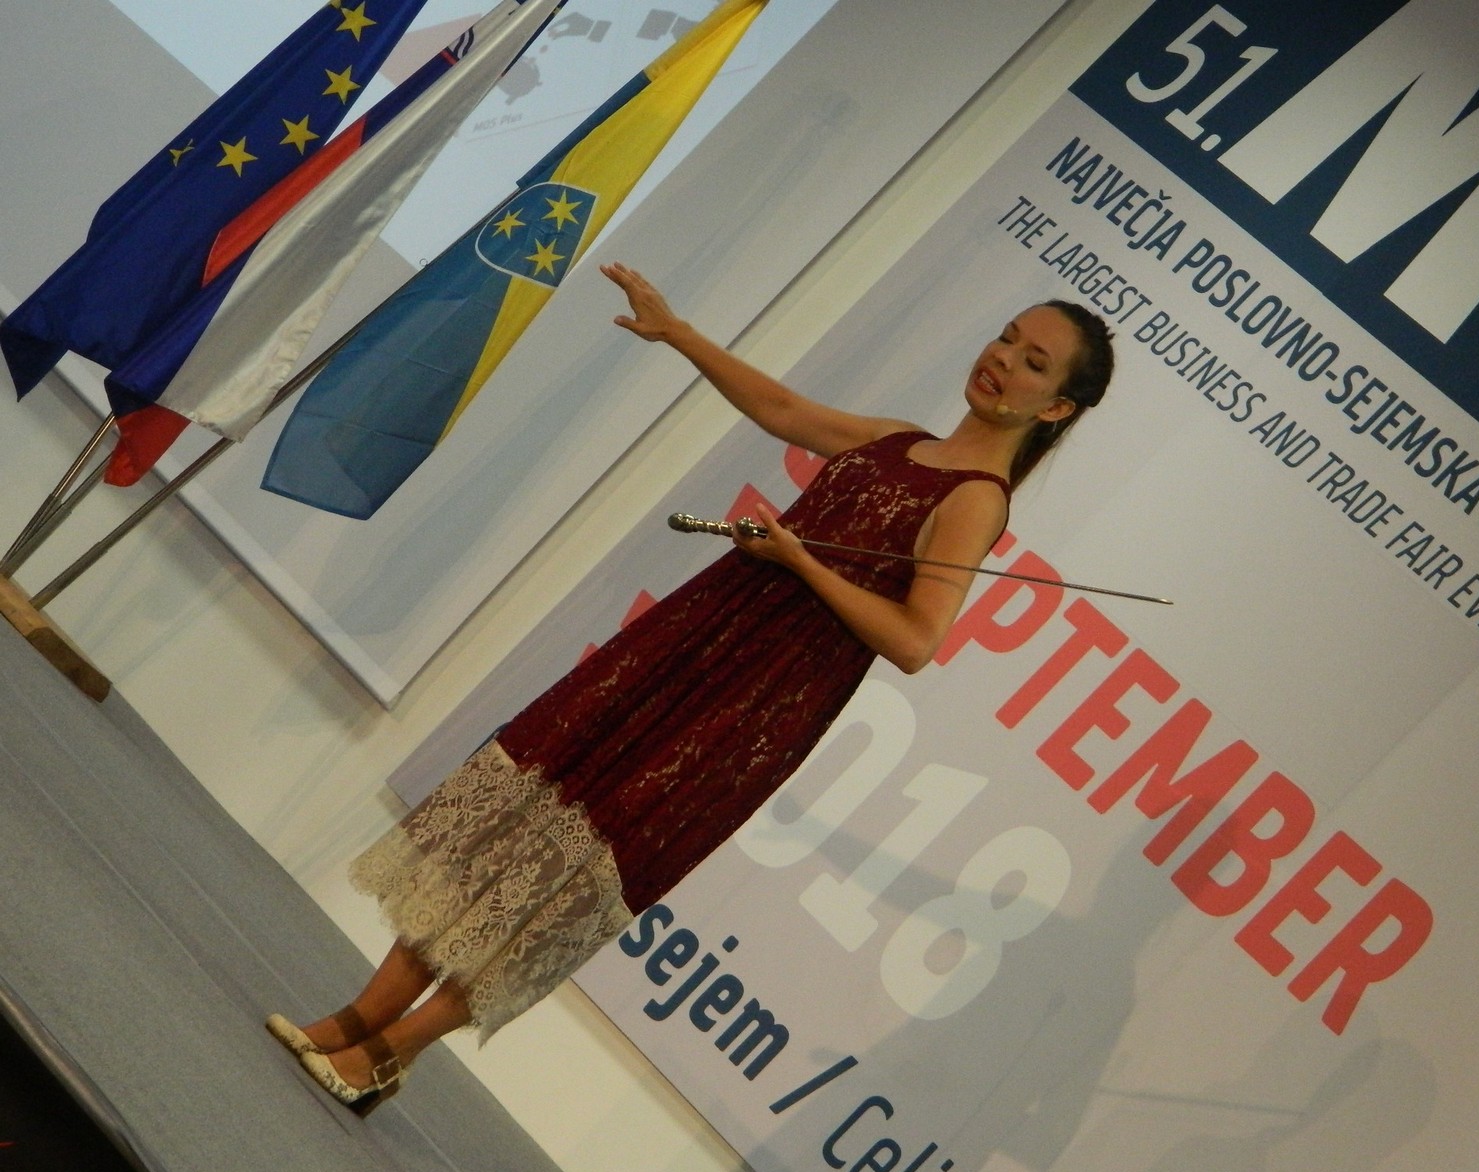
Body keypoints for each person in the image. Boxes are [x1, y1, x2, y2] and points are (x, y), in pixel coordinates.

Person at [266, 262, 1115, 1113]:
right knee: (518, 816)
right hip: (692, 642)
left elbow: (916, 640)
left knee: (567, 874)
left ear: (1056, 409)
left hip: (753, 704)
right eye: (1007, 337)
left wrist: (801, 561)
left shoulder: (975, 501)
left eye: (1033, 362)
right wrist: (676, 331)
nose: (1003, 359)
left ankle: (392, 1052)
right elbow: (783, 409)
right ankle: (361, 1016)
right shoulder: (900, 440)